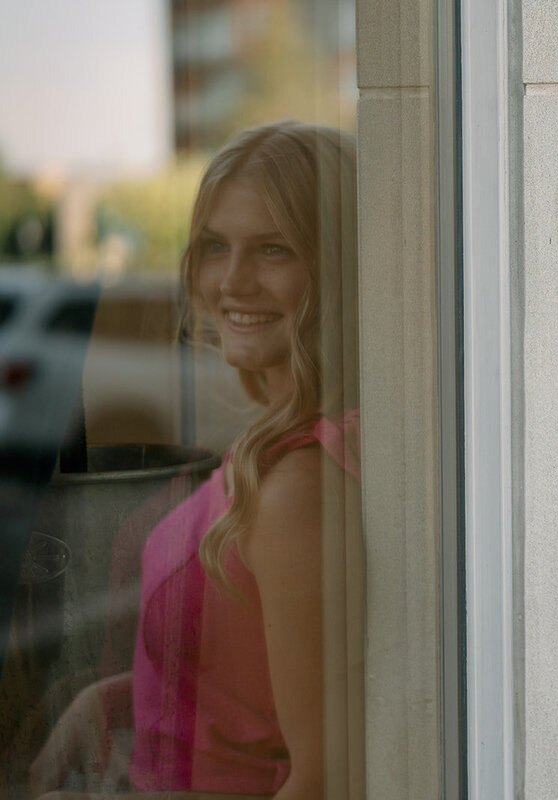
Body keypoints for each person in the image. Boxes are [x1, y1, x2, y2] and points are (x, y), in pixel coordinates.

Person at [29, 120, 359, 799]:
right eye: (215, 246)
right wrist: (107, 702)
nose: (232, 280)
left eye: (273, 249)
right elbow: (248, 688)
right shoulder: (277, 444)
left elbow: (325, 777)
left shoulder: (298, 486)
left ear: (337, 268)